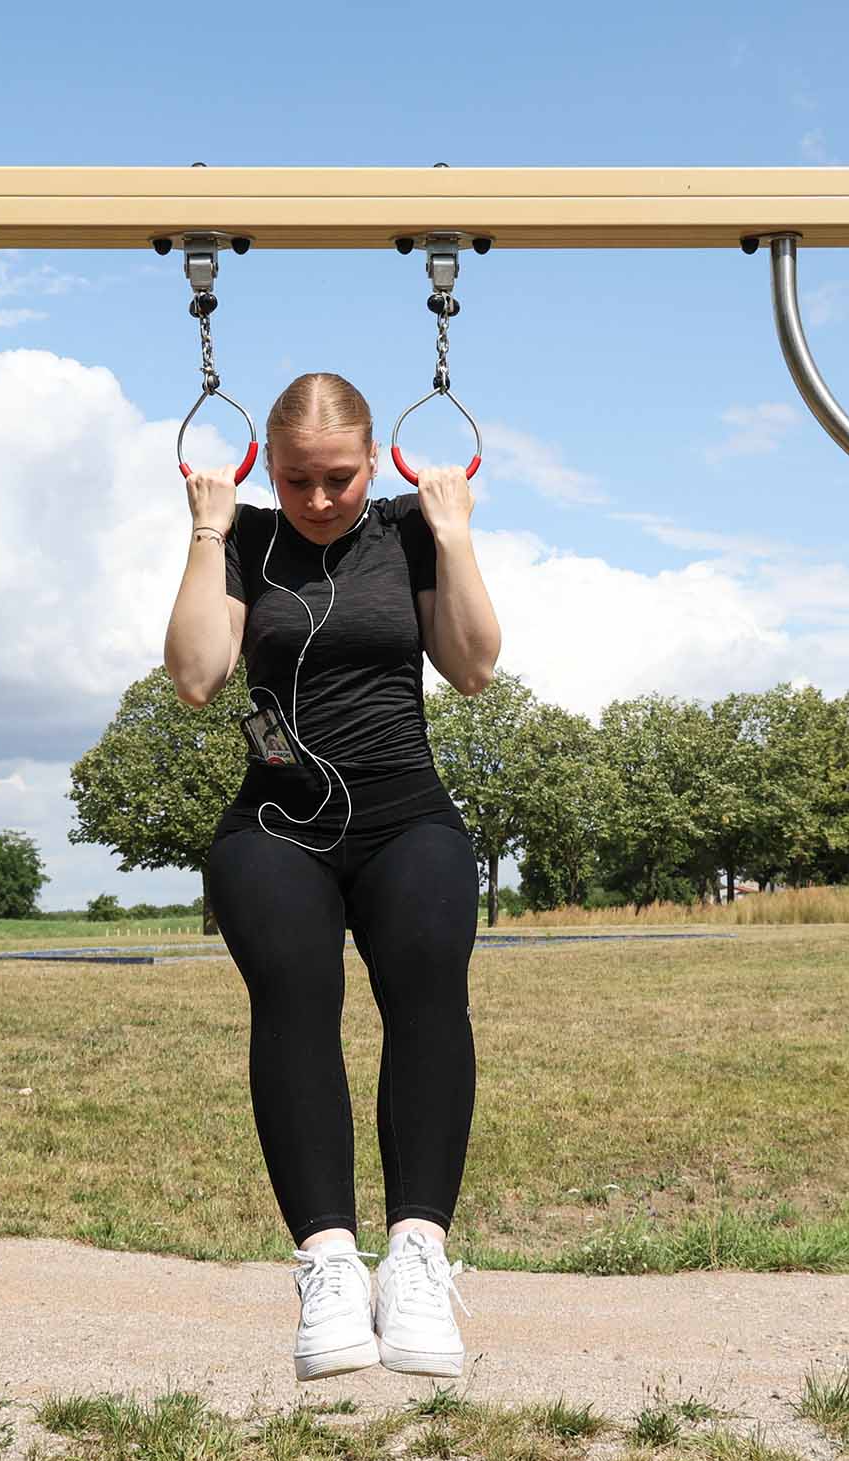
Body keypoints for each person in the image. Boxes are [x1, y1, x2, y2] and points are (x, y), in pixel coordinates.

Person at [163, 371, 501, 1381]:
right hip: (275, 823)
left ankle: (418, 1257)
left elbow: (474, 665)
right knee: (297, 1001)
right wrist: (207, 533)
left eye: (339, 479)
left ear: (373, 464)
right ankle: (328, 1264)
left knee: (430, 994)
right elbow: (193, 678)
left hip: (406, 815)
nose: (318, 500)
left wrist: (455, 532)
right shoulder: (250, 538)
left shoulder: (405, 529)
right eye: (299, 480)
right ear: (268, 466)